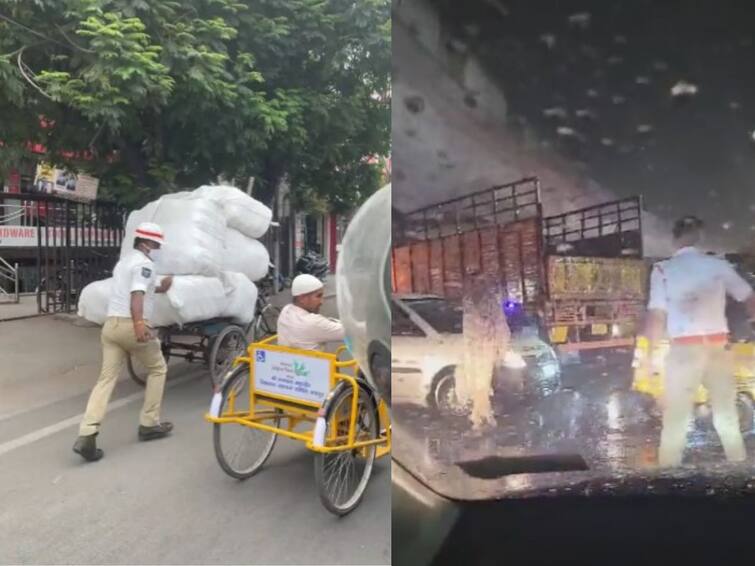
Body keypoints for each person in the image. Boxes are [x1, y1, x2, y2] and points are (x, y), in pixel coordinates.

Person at [644, 215, 755, 467]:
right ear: (700, 237)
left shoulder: (663, 270)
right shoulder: (717, 265)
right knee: (726, 416)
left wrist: (650, 360)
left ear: (675, 239)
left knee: (676, 420)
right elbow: (749, 297)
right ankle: (738, 473)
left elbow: (656, 317)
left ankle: (667, 477)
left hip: (683, 351)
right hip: (717, 348)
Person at [73, 222, 175, 462]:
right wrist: (140, 324)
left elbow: (143, 288)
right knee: (158, 368)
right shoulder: (144, 263)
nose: (158, 247)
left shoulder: (125, 262)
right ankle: (149, 423)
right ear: (147, 243)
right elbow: (137, 293)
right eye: (156, 243)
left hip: (111, 327)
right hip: (131, 325)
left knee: (105, 380)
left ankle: (87, 434)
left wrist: (161, 287)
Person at [277, 273, 344, 351]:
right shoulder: (314, 323)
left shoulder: (286, 310)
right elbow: (351, 332)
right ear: (302, 298)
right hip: (317, 362)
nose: (322, 302)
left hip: (286, 361)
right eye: (318, 296)